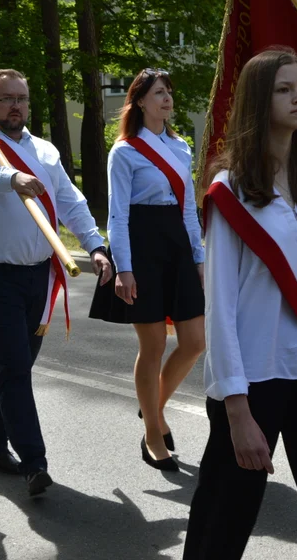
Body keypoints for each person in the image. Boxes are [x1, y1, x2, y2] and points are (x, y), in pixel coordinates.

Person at [184, 49, 297, 560]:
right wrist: (236, 409)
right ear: (257, 99)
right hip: (253, 379)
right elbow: (219, 306)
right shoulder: (232, 191)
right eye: (286, 89)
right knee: (222, 523)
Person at [0, 68, 112, 496]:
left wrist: (95, 244)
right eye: (6, 99)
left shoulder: (45, 150)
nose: (15, 106)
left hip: (39, 275)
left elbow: (69, 200)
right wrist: (12, 178)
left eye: (21, 98)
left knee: (14, 364)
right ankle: (34, 462)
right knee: (16, 366)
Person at [90, 68, 205, 472]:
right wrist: (124, 268)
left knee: (194, 341)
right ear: (139, 101)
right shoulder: (124, 151)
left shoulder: (182, 147)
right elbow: (117, 215)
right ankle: (154, 434)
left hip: (177, 244)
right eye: (159, 92)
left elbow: (189, 207)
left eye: (169, 91)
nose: (167, 98)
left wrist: (199, 257)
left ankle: (151, 409)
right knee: (153, 344)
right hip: (141, 247)